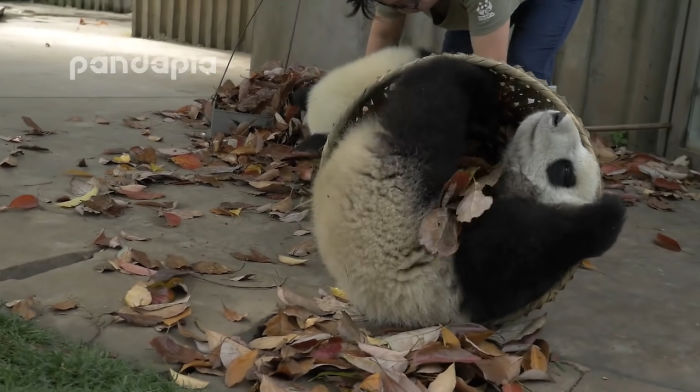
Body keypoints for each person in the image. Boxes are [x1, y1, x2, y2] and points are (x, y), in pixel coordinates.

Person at [347, 0, 583, 85]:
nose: (403, 8)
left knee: (526, 70)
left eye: (410, 1)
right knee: (454, 74)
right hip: (480, 8)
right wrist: (365, 96)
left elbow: (492, 74)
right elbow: (383, 38)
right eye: (395, 6)